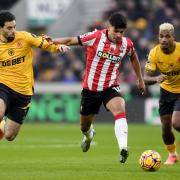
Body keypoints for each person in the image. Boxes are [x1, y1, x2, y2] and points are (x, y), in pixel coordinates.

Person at [45, 12, 145, 163]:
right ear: (108, 27)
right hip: (90, 90)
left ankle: (123, 148)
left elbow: (133, 57)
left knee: (120, 110)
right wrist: (53, 41)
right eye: (116, 31)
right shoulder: (96, 37)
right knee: (84, 126)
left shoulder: (126, 44)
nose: (119, 35)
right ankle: (89, 135)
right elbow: (72, 40)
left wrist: (140, 79)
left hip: (110, 87)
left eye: (121, 32)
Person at [0, 11, 69, 141]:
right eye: (9, 28)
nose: (13, 30)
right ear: (0, 28)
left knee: (9, 136)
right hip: (3, 85)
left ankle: (2, 123)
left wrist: (57, 47)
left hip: (23, 91)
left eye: (14, 27)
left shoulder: (24, 37)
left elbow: (44, 43)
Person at [144, 22, 180, 165]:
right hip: (166, 91)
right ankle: (172, 155)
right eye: (161, 36)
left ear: (173, 37)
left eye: (167, 36)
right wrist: (156, 78)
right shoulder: (154, 53)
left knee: (176, 123)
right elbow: (145, 78)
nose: (164, 39)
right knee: (166, 127)